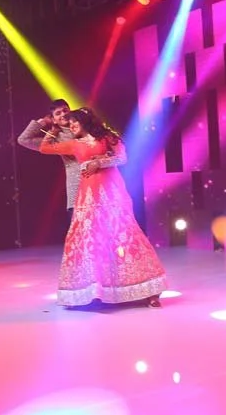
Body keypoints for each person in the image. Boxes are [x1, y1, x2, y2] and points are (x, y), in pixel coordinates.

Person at [39, 108, 166, 308]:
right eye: (69, 124)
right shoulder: (74, 144)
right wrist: (53, 129)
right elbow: (44, 148)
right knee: (90, 240)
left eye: (74, 122)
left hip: (113, 193)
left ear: (85, 121)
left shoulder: (105, 137)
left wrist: (100, 162)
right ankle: (93, 289)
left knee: (124, 235)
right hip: (88, 197)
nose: (71, 126)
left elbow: (122, 158)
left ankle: (148, 289)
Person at [18, 99, 80, 231]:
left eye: (65, 110)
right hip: (77, 186)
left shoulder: (85, 128)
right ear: (53, 120)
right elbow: (23, 140)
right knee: (80, 232)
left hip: (98, 182)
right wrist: (42, 122)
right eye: (58, 113)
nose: (63, 114)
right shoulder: (54, 140)